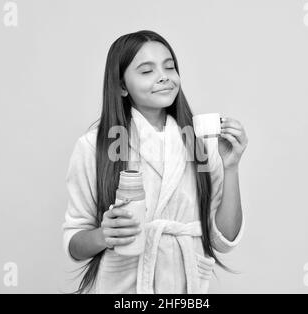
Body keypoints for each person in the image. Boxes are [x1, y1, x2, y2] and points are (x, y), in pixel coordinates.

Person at [62, 30, 248, 294]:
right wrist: (104, 234)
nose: (164, 76)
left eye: (169, 67)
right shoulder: (94, 147)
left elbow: (224, 240)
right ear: (122, 86)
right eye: (147, 71)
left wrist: (231, 167)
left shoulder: (203, 143)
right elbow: (75, 242)